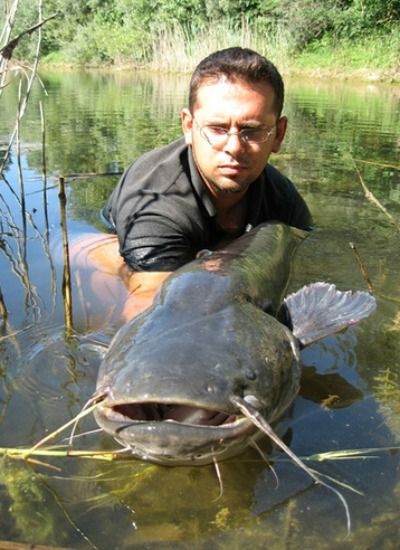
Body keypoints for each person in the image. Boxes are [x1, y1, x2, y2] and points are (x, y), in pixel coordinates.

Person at [71, 47, 312, 324]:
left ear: (278, 134)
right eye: (217, 129)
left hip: (205, 247)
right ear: (188, 126)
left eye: (252, 130)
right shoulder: (156, 201)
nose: (234, 147)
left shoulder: (284, 201)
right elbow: (150, 303)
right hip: (135, 244)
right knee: (119, 269)